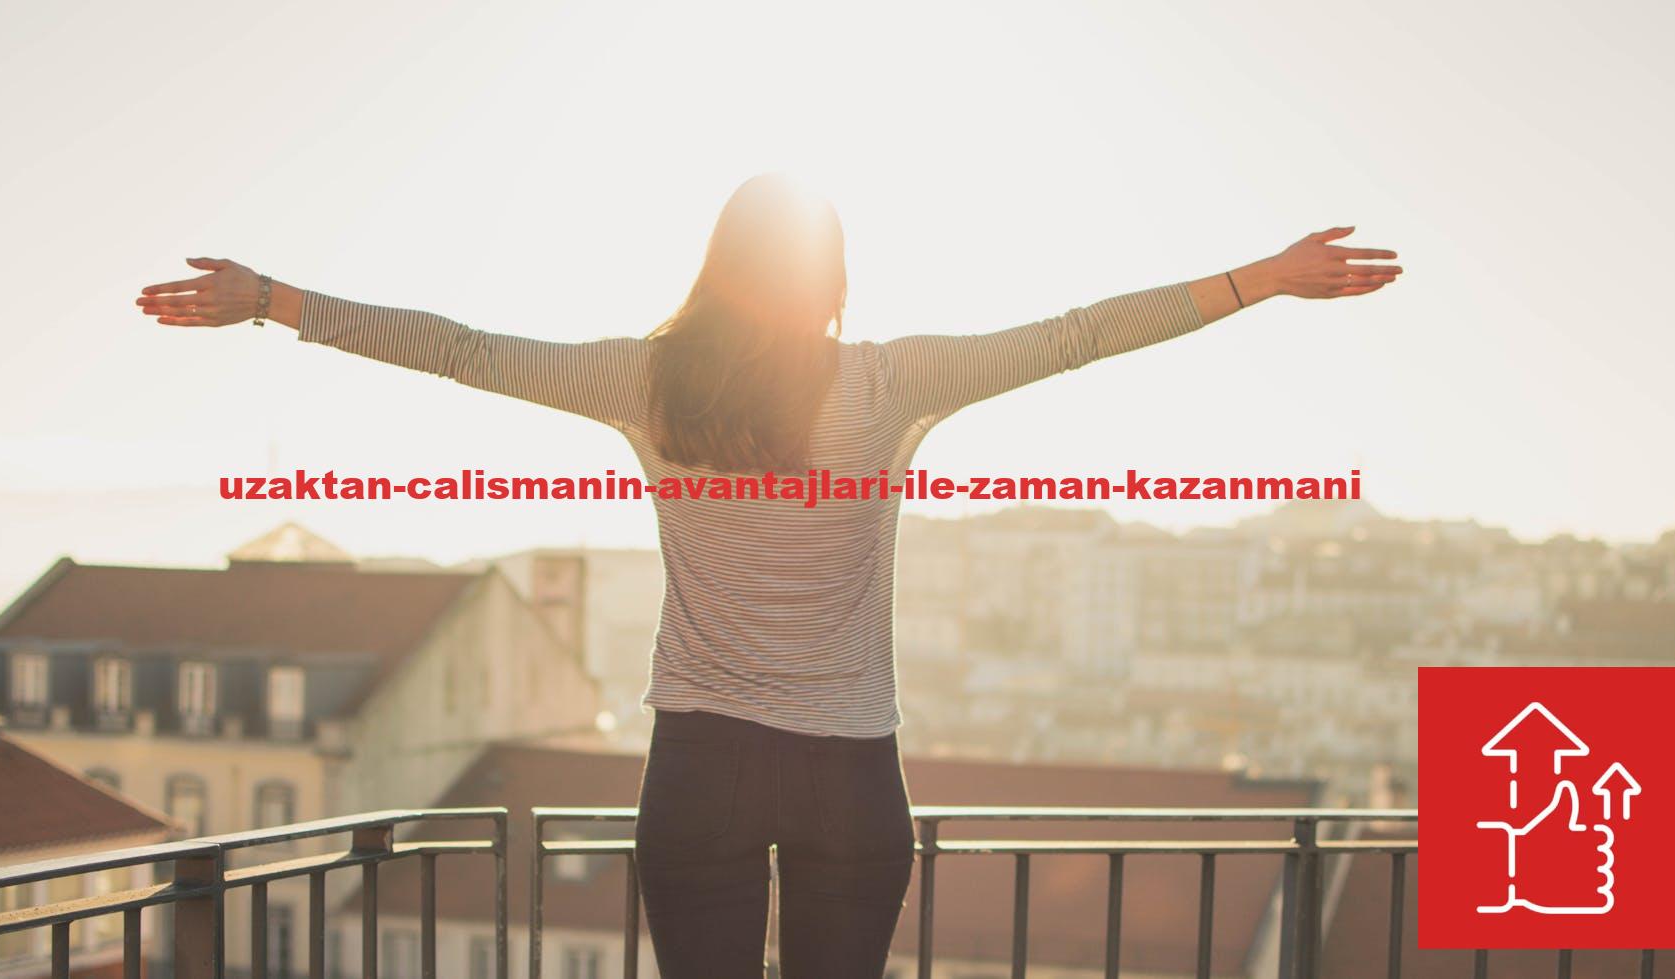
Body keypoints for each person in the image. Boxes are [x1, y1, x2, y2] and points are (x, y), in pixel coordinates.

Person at [136, 172, 1400, 978]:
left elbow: (463, 351)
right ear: (833, 279)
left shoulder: (646, 380)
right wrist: (1259, 282)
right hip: (851, 769)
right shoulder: (888, 383)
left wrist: (273, 300)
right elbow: (1073, 338)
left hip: (699, 764)